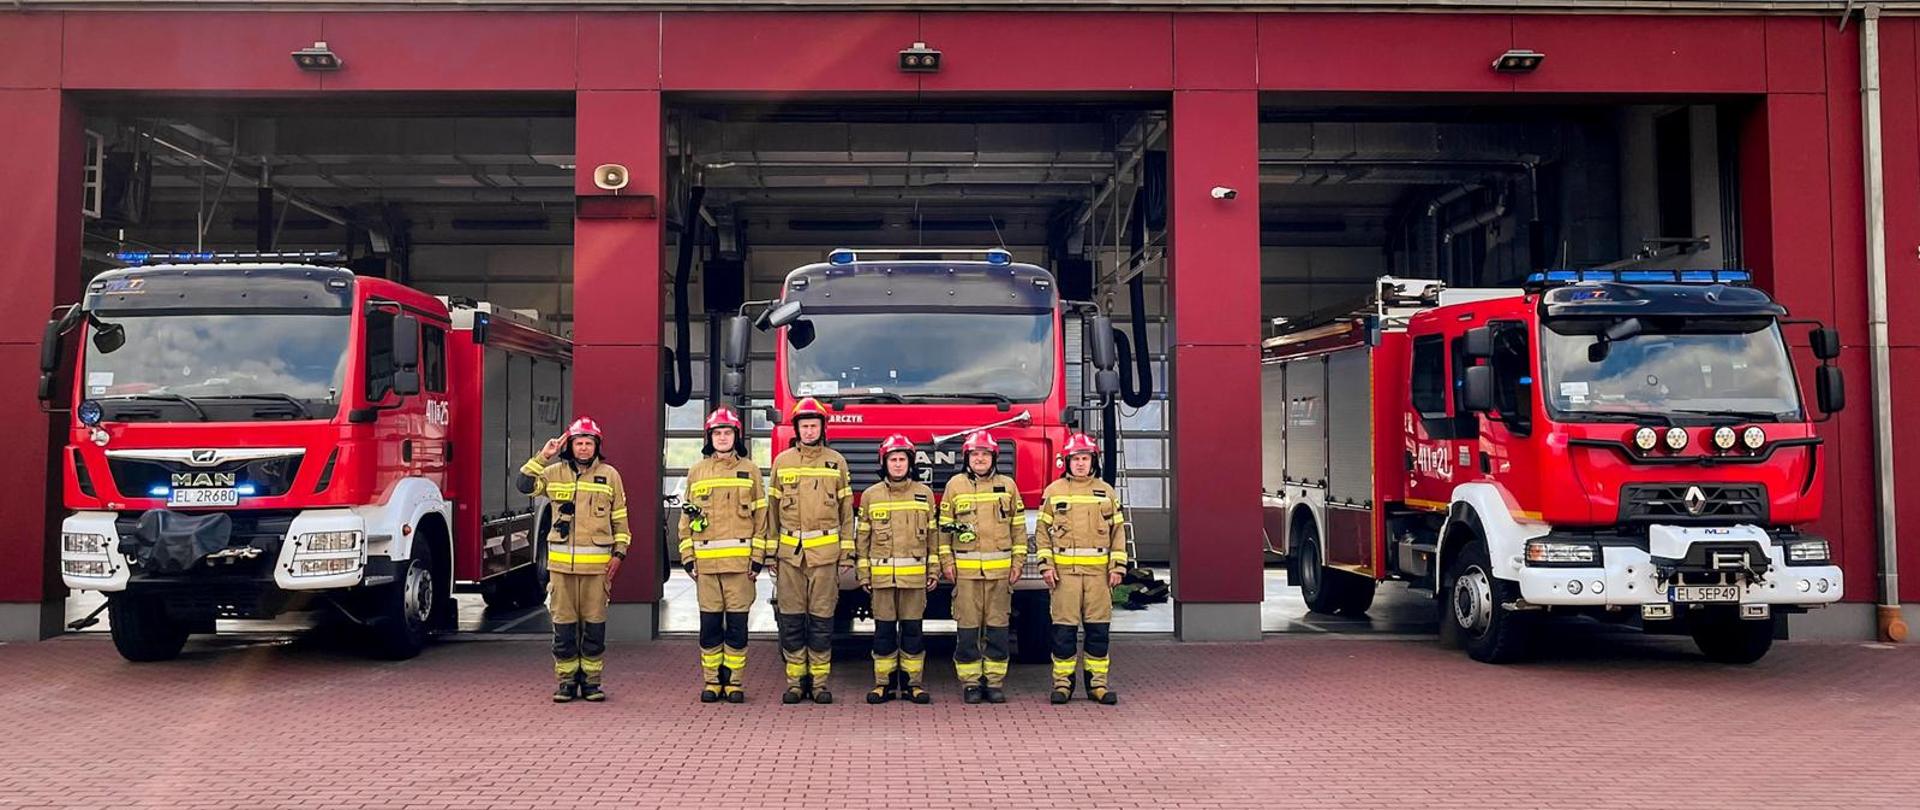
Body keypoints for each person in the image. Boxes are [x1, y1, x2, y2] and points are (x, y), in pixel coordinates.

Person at [518, 416, 630, 703]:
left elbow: (621, 521)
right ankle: (566, 683)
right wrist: (544, 456)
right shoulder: (554, 472)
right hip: (561, 570)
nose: (583, 448)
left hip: (597, 570)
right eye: (578, 443)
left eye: (588, 443)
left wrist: (619, 554)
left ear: (597, 446)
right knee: (564, 626)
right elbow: (524, 484)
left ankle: (592, 683)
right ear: (570, 446)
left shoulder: (610, 475)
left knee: (594, 626)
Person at [765, 397, 855, 704]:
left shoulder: (836, 462)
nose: (808, 431)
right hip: (790, 556)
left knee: (821, 620)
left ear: (822, 428)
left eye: (813, 425)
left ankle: (818, 683)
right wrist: (769, 553)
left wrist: (847, 552)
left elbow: (846, 513)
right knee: (791, 620)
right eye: (804, 426)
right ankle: (795, 683)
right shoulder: (783, 462)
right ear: (797, 429)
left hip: (826, 557)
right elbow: (772, 512)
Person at [679, 406, 767, 703]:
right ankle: (712, 682)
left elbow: (761, 520)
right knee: (710, 627)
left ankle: (734, 682)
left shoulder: (751, 470)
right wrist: (688, 559)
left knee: (738, 627)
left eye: (727, 432)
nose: (722, 437)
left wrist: (758, 559)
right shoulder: (696, 471)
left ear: (736, 436)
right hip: (705, 567)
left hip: (741, 568)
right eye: (717, 433)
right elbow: (686, 520)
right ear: (709, 437)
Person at [1037, 433, 1128, 706]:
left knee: (1098, 631)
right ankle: (1063, 685)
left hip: (1099, 576)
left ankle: (1097, 685)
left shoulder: (1106, 492)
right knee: (1063, 633)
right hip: (1065, 576)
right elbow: (1042, 534)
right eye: (1075, 459)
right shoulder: (1053, 492)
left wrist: (1118, 567)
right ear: (1067, 462)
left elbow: (1118, 533)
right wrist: (1045, 566)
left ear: (1093, 462)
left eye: (1084, 459)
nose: (1080, 464)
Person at [938, 430, 1026, 704]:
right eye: (975, 454)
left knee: (998, 629)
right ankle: (971, 683)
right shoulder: (955, 486)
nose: (979, 459)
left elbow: (1018, 529)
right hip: (965, 575)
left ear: (993, 458)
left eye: (985, 454)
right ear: (967, 457)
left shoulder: (1008, 486)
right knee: (967, 630)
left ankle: (995, 682)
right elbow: (944, 529)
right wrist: (946, 562)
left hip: (1000, 574)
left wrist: (1018, 562)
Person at [857, 434, 940, 705]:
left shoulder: (924, 494)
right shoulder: (871, 496)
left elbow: (932, 537)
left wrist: (934, 569)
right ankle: (883, 685)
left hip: (914, 580)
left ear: (910, 463)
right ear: (884, 462)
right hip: (881, 580)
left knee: (913, 632)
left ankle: (913, 685)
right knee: (883, 633)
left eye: (902, 459)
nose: (897, 464)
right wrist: (863, 573)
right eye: (892, 459)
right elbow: (863, 540)